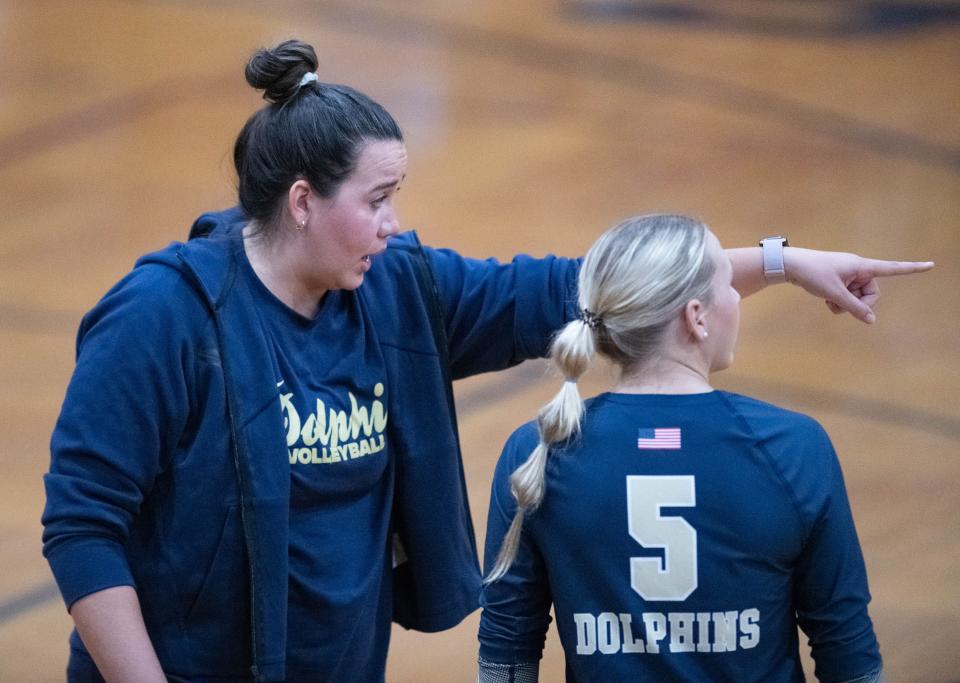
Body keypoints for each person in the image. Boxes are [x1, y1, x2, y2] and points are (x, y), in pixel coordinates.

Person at [40, 39, 928, 682]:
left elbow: (602, 289)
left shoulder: (398, 291)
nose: (394, 224)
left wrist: (779, 260)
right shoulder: (161, 318)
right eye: (379, 200)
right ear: (304, 201)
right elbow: (83, 528)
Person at [478, 214, 890, 682]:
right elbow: (846, 647)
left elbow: (507, 651)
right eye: (730, 284)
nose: (737, 296)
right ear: (696, 316)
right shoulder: (793, 447)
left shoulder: (538, 450)